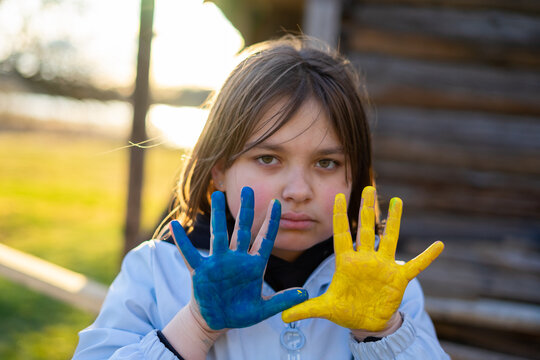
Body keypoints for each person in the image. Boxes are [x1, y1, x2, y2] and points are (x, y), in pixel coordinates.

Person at [73, 35, 449, 360]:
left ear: (357, 174)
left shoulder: (390, 290)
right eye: (268, 159)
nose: (298, 191)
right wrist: (195, 326)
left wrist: (384, 333)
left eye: (326, 162)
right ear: (219, 168)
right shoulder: (158, 272)